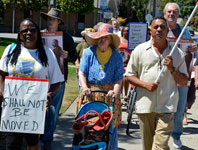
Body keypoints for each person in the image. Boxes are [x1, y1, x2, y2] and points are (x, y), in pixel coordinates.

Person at [125, 16, 188, 150]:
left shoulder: (176, 53)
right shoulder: (140, 50)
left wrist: (172, 69)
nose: (159, 30)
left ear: (167, 31)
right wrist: (145, 85)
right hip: (145, 105)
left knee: (160, 146)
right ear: (151, 31)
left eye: (162, 27)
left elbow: (184, 81)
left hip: (167, 106)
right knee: (148, 147)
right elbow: (129, 75)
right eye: (156, 27)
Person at [0, 18, 63, 150]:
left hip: (34, 110)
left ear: (38, 33)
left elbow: (57, 80)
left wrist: (49, 94)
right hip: (12, 109)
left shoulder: (47, 53)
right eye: (24, 30)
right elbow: (2, 73)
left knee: (33, 145)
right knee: (11, 145)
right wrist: (1, 90)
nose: (28, 33)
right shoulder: (10, 50)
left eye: (32, 30)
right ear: (19, 34)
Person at [77, 23, 124, 149]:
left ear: (110, 40)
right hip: (90, 95)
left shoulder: (117, 56)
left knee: (109, 129)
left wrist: (115, 91)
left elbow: (119, 78)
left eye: (106, 37)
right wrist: (84, 87)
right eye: (100, 37)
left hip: (109, 97)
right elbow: (81, 72)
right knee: (88, 127)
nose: (102, 40)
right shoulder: (88, 53)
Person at [40, 8, 77, 149]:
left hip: (58, 79)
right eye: (48, 18)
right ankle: (39, 136)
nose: (50, 21)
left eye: (53, 19)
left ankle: (47, 139)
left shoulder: (66, 37)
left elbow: (74, 57)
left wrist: (67, 56)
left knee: (53, 110)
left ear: (58, 21)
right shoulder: (40, 34)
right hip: (41, 78)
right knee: (39, 109)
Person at [164, 3, 197, 148]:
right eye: (169, 11)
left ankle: (176, 136)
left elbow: (191, 49)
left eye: (174, 12)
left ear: (178, 15)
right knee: (162, 107)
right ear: (165, 13)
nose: (171, 14)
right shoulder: (159, 28)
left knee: (179, 107)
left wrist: (193, 49)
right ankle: (161, 134)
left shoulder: (185, 32)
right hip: (163, 75)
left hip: (181, 75)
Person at [118, 25, 130, 100]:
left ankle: (126, 94)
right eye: (126, 31)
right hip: (119, 61)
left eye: (129, 31)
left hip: (128, 61)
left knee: (126, 77)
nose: (127, 32)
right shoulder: (119, 40)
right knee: (121, 78)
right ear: (123, 32)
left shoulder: (131, 40)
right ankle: (120, 94)